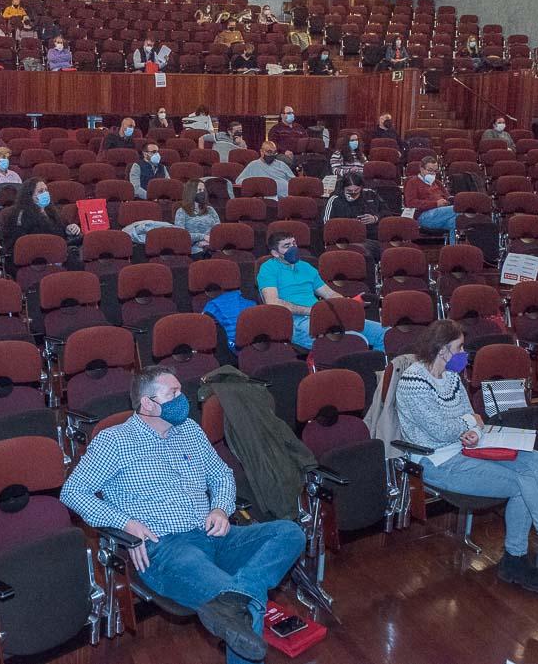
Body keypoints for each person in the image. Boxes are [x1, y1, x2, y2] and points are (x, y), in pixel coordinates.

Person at [60, 366, 306, 664]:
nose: (182, 398)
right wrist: (124, 523)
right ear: (148, 403)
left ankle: (234, 597)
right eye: (172, 393)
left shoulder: (189, 429)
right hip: (167, 548)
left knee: (289, 533)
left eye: (180, 390)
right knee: (245, 606)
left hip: (214, 534)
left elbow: (221, 474)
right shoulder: (115, 441)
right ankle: (235, 599)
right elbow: (73, 492)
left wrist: (220, 507)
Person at [395, 321, 538, 593]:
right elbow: (441, 430)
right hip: (436, 461)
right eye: (459, 347)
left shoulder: (452, 377)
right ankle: (518, 558)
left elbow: (473, 418)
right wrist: (468, 424)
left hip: (466, 449)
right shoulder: (413, 382)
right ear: (443, 349)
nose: (463, 353)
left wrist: (471, 428)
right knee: (520, 484)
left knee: (533, 459)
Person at [257, 232, 386, 351]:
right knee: (353, 339)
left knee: (384, 332)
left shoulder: (305, 267)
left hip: (323, 316)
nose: (293, 248)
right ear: (275, 253)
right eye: (287, 246)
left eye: (294, 243)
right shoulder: (268, 269)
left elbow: (330, 294)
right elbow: (272, 302)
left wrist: (348, 305)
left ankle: (378, 373)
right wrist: (311, 311)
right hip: (295, 321)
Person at [0, 177, 82, 252]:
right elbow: (20, 244)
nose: (45, 193)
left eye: (46, 190)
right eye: (40, 191)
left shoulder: (52, 211)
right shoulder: (21, 215)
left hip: (60, 250)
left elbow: (61, 230)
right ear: (29, 196)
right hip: (38, 255)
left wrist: (68, 229)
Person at [322, 172, 386, 260]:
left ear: (361, 187)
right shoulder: (335, 200)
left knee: (368, 250)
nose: (353, 193)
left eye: (356, 190)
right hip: (343, 240)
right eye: (349, 191)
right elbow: (326, 224)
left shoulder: (370, 195)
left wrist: (375, 218)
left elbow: (386, 212)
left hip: (369, 238)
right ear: (343, 188)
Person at [405, 156, 457, 241]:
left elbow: (448, 197)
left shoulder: (437, 183)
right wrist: (435, 204)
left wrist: (447, 201)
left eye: (435, 171)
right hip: (424, 215)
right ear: (421, 169)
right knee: (458, 209)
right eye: (429, 170)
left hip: (442, 214)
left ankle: (453, 250)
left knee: (457, 221)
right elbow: (410, 202)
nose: (432, 174)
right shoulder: (413, 182)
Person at [174, 179, 220, 254]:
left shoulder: (210, 209)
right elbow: (181, 236)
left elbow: (218, 230)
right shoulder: (181, 211)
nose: (202, 193)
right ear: (191, 192)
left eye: (203, 190)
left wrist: (210, 242)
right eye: (199, 190)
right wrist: (203, 237)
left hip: (212, 246)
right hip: (194, 249)